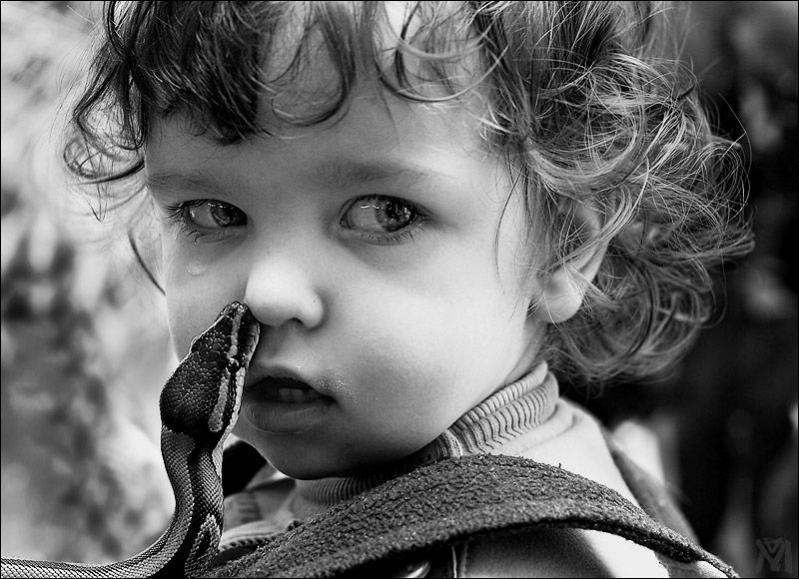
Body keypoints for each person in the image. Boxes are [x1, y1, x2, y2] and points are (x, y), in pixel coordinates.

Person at [63, 1, 753, 576]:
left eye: (384, 213)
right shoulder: (341, 471)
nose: (268, 293)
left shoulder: (515, 556)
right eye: (213, 213)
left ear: (563, 246)